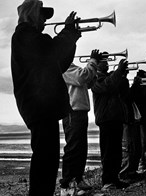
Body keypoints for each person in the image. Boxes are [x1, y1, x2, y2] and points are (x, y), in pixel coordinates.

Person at [11, 0, 81, 195]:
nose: (44, 20)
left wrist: (71, 37)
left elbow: (59, 63)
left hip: (43, 106)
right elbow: (52, 51)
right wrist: (67, 32)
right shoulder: (24, 36)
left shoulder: (32, 38)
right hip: (38, 106)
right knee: (45, 158)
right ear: (32, 15)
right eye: (42, 15)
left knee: (48, 159)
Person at [59, 49, 99, 196]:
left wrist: (95, 69)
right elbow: (81, 77)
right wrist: (93, 61)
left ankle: (78, 179)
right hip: (72, 111)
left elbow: (87, 83)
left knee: (81, 148)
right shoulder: (64, 66)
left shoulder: (72, 66)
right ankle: (67, 185)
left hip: (80, 110)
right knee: (73, 148)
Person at [91, 54, 130, 191]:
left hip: (116, 117)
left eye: (107, 61)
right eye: (104, 62)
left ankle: (115, 179)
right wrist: (118, 72)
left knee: (116, 152)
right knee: (108, 152)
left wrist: (123, 76)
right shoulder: (95, 78)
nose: (107, 64)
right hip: (106, 118)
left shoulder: (111, 76)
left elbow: (124, 93)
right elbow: (107, 86)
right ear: (97, 64)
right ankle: (107, 182)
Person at [119, 80, 143, 183]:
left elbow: (132, 96)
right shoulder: (119, 88)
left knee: (135, 147)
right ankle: (125, 173)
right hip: (126, 121)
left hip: (132, 121)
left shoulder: (125, 89)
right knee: (128, 148)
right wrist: (135, 84)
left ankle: (132, 172)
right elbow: (128, 96)